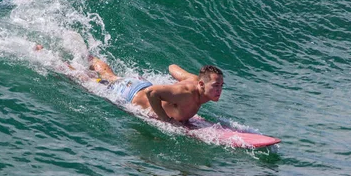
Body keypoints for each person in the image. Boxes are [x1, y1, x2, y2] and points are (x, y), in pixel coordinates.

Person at [35, 45, 224, 123]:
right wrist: (165, 120)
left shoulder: (194, 82)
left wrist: (190, 79)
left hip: (135, 84)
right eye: (215, 86)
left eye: (221, 86)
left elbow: (172, 67)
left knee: (110, 75)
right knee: (83, 80)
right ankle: (47, 56)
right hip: (129, 94)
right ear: (201, 85)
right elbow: (152, 93)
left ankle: (86, 54)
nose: (219, 90)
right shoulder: (186, 93)